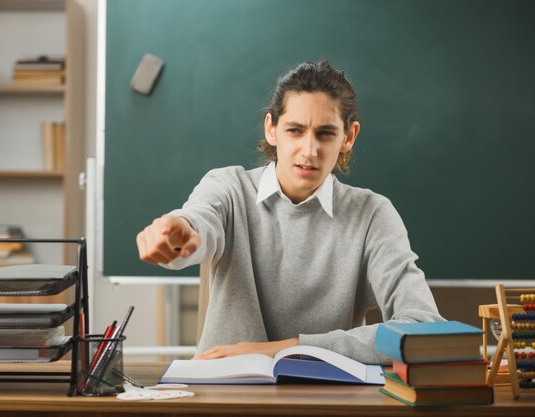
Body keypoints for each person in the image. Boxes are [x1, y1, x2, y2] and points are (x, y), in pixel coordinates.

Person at [136, 60, 444, 364]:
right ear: (271, 129)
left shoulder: (372, 214)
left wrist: (288, 348)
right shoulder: (229, 188)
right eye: (295, 130)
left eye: (325, 134)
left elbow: (423, 328)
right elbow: (199, 222)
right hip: (227, 396)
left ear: (348, 137)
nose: (309, 150)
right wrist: (180, 232)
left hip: (330, 400)